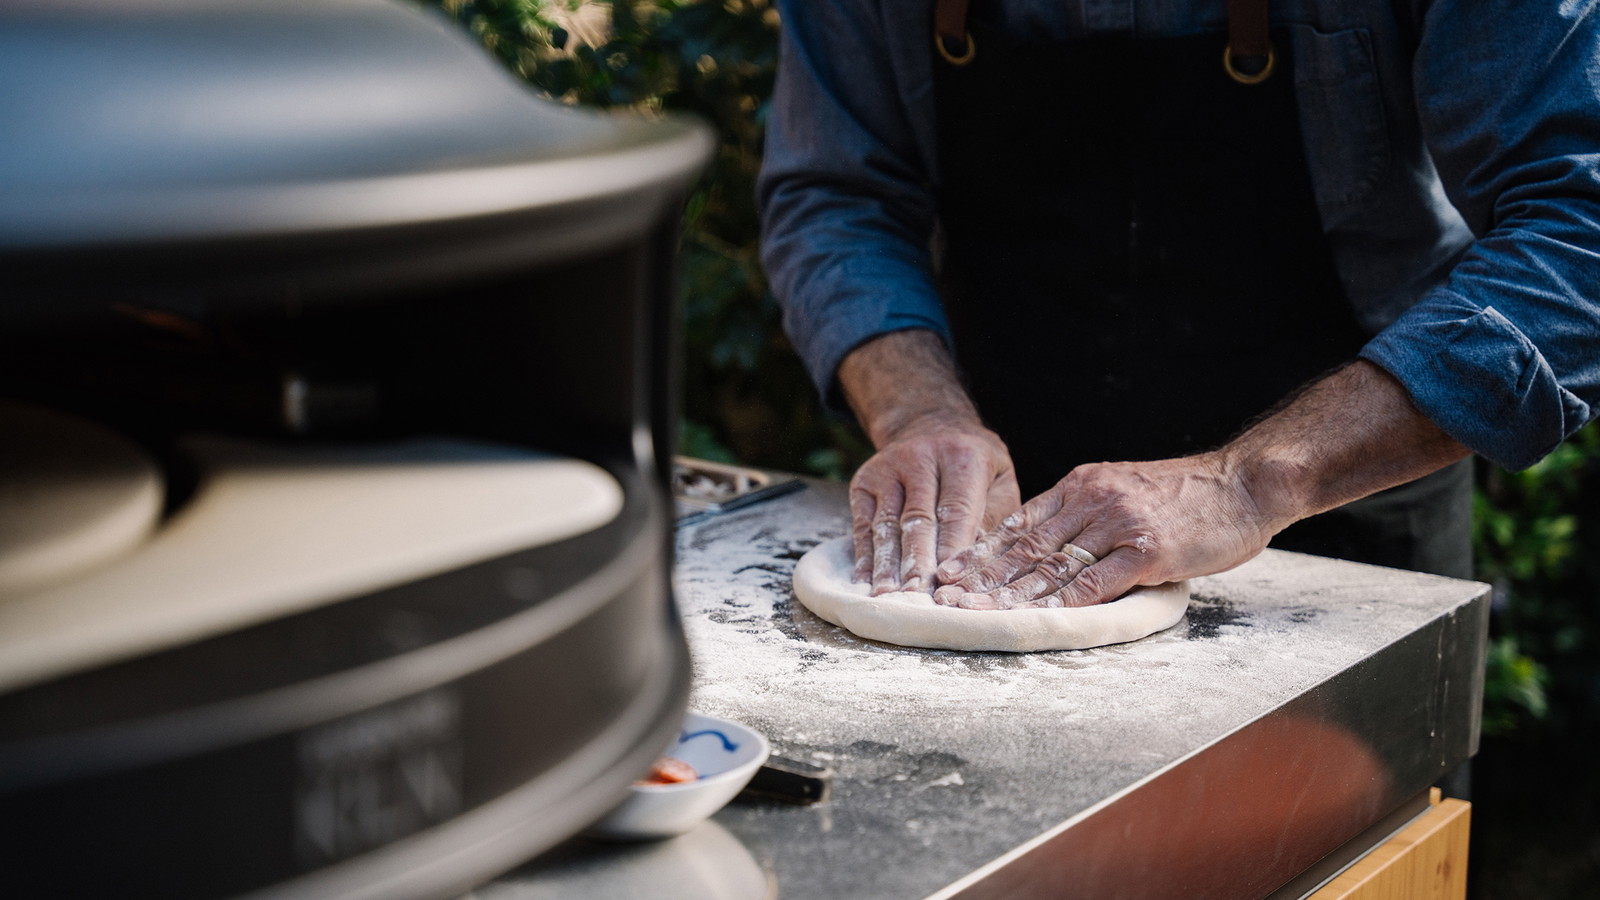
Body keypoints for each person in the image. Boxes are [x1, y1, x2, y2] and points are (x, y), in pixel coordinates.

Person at [757, 0, 1600, 608]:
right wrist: (918, 412)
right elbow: (836, 194)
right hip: (993, 525)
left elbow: (1578, 231)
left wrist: (1246, 485)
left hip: (1349, 510)